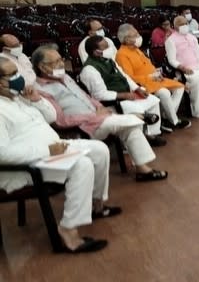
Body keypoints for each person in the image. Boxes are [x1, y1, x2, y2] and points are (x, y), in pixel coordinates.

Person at [0, 57, 120, 253]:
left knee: (99, 149)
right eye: (11, 74)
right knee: (82, 165)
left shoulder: (17, 98)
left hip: (52, 150)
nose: (18, 77)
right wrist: (47, 151)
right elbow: (2, 154)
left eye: (17, 72)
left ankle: (96, 206)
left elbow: (51, 118)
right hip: (28, 166)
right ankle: (68, 231)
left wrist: (37, 100)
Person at [31, 45, 168, 182]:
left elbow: (87, 96)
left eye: (61, 59)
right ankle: (136, 118)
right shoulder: (40, 90)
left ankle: (142, 169)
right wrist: (94, 116)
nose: (61, 64)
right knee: (128, 122)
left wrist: (100, 107)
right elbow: (60, 121)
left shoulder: (65, 77)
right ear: (42, 67)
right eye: (56, 62)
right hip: (83, 126)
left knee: (130, 128)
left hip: (99, 117)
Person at [80, 36, 166, 146]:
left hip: (126, 95)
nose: (109, 48)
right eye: (105, 47)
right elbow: (99, 94)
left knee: (153, 100)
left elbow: (124, 76)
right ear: (96, 52)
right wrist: (123, 95)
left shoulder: (109, 60)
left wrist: (137, 88)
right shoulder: (90, 69)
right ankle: (134, 143)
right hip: (113, 102)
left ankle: (152, 134)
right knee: (138, 109)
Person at [115, 24, 190, 131]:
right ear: (127, 39)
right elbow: (129, 77)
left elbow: (148, 65)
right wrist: (150, 76)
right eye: (135, 35)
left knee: (179, 87)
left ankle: (165, 116)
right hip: (143, 84)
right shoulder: (122, 54)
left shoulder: (136, 49)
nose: (139, 36)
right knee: (165, 93)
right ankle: (174, 121)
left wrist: (156, 73)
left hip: (155, 79)